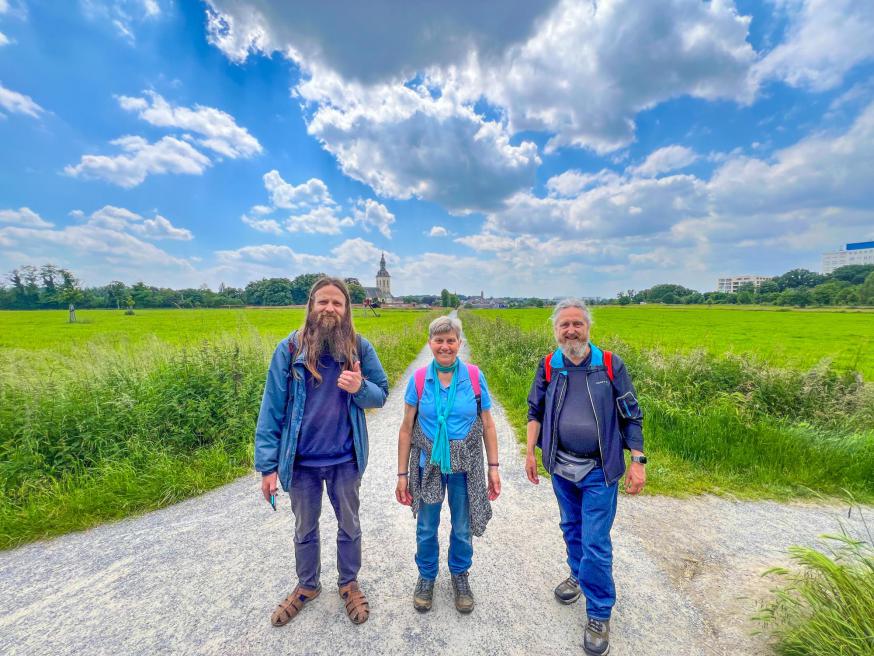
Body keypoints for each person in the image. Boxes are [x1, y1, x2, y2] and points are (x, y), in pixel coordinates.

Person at [255, 276, 389, 627]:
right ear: (311, 306)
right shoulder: (288, 350)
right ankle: (307, 585)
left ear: (346, 310)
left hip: (345, 459)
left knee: (349, 525)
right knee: (304, 528)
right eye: (323, 302)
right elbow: (271, 410)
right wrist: (268, 467)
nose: (330, 308)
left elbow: (381, 393)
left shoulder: (359, 348)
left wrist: (361, 388)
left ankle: (348, 582)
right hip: (301, 463)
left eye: (337, 303)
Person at [526, 298, 646, 656]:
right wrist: (531, 452)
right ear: (556, 331)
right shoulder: (550, 365)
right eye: (564, 325)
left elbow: (631, 415)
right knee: (571, 528)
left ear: (588, 328)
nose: (571, 331)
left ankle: (598, 612)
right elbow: (534, 410)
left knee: (595, 540)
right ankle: (578, 575)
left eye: (577, 324)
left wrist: (637, 460)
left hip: (599, 469)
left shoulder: (609, 364)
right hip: (561, 467)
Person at [395, 315, 501, 614]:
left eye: (450, 340)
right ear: (430, 344)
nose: (445, 346)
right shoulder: (419, 379)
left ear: (459, 343)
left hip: (465, 467)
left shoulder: (474, 376)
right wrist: (402, 475)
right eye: (439, 341)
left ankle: (460, 574)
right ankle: (426, 576)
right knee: (427, 526)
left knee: (462, 526)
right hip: (429, 465)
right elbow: (406, 428)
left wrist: (494, 468)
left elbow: (488, 425)